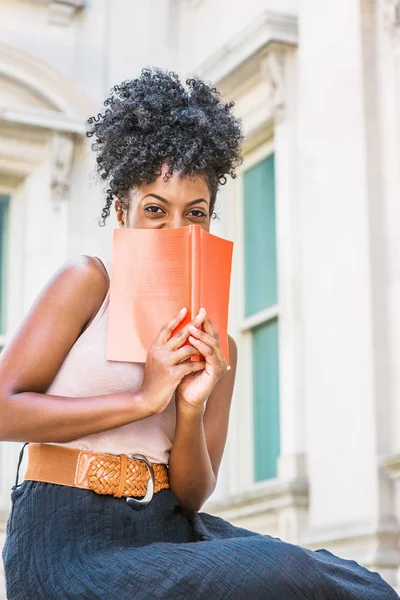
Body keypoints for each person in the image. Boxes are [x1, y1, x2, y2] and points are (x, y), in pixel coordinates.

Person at [0, 67, 398, 600]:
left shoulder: (217, 347)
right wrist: (144, 397)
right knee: (287, 571)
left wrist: (188, 407)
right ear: (123, 211)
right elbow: (5, 409)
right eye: (155, 210)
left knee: (350, 583)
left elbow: (193, 494)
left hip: (164, 530)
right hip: (64, 538)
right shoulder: (88, 283)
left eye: (196, 213)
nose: (175, 228)